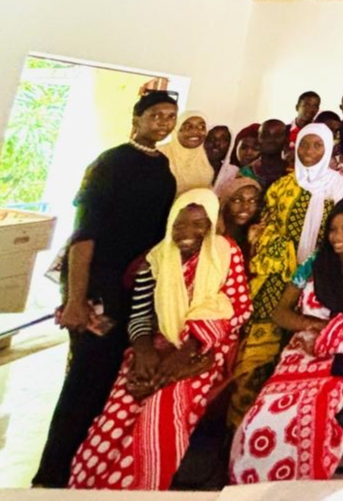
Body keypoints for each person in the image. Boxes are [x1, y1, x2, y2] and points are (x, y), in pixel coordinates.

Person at [33, 90, 180, 488]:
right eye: (156, 114)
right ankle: (50, 476)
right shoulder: (110, 162)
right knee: (85, 377)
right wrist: (75, 299)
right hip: (99, 285)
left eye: (170, 116)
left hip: (132, 285)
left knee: (108, 380)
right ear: (137, 118)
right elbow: (84, 234)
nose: (164, 122)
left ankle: (81, 473)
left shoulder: (163, 166)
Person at [70, 189, 252, 489]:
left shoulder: (224, 252)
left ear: (211, 225)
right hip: (158, 343)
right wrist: (144, 352)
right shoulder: (155, 260)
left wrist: (185, 354)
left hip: (208, 344)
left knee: (164, 406)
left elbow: (236, 306)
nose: (187, 232)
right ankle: (89, 486)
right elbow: (140, 316)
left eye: (198, 224)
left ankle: (142, 484)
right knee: (120, 406)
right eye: (179, 224)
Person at [230, 197, 343, 483]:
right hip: (304, 349)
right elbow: (280, 313)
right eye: (333, 229)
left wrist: (334, 335)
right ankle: (257, 487)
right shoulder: (314, 262)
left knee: (311, 411)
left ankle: (303, 485)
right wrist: (316, 326)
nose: (337, 236)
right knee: (263, 412)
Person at [226, 124, 343, 431]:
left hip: (319, 278)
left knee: (303, 352)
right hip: (277, 277)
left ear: (327, 150)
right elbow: (264, 228)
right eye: (305, 145)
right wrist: (278, 247)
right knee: (258, 351)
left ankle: (285, 431)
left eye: (317, 146)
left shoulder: (339, 186)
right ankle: (241, 430)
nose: (309, 152)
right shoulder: (281, 186)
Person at [161, 111, 215, 195]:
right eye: (187, 127)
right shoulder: (159, 154)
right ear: (176, 130)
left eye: (201, 127)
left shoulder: (207, 158)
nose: (195, 131)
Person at [217, 177, 263, 265]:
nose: (246, 206)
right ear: (225, 202)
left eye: (252, 201)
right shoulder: (214, 235)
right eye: (237, 200)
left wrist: (252, 246)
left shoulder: (259, 234)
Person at [250, 119, 291, 195]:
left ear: (286, 140)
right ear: (258, 138)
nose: (270, 140)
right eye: (265, 135)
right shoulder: (247, 172)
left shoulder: (292, 171)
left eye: (277, 136)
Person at [220, 122, 261, 197]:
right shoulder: (224, 172)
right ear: (236, 147)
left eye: (255, 148)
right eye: (244, 147)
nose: (248, 152)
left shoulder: (265, 177)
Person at [205, 125, 234, 190]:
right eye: (212, 138)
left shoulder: (233, 173)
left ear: (230, 145)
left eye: (223, 140)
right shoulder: (190, 168)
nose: (216, 143)